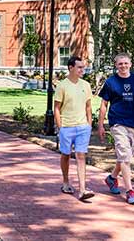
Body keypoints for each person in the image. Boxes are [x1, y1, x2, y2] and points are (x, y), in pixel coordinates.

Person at [97, 52, 134, 205]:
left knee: (126, 156)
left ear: (130, 64)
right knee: (125, 156)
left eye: (126, 63)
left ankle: (111, 178)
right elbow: (104, 104)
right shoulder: (111, 82)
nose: (123, 66)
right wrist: (100, 125)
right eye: (120, 63)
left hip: (133, 123)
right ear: (116, 65)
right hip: (117, 122)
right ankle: (130, 191)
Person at [54, 55, 94, 201]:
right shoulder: (62, 85)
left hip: (83, 127)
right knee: (65, 155)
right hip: (67, 128)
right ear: (71, 68)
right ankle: (65, 182)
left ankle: (82, 189)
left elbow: (88, 107)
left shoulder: (86, 85)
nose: (83, 70)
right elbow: (57, 108)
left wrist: (89, 125)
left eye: (83, 67)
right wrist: (60, 128)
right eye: (80, 67)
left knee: (81, 155)